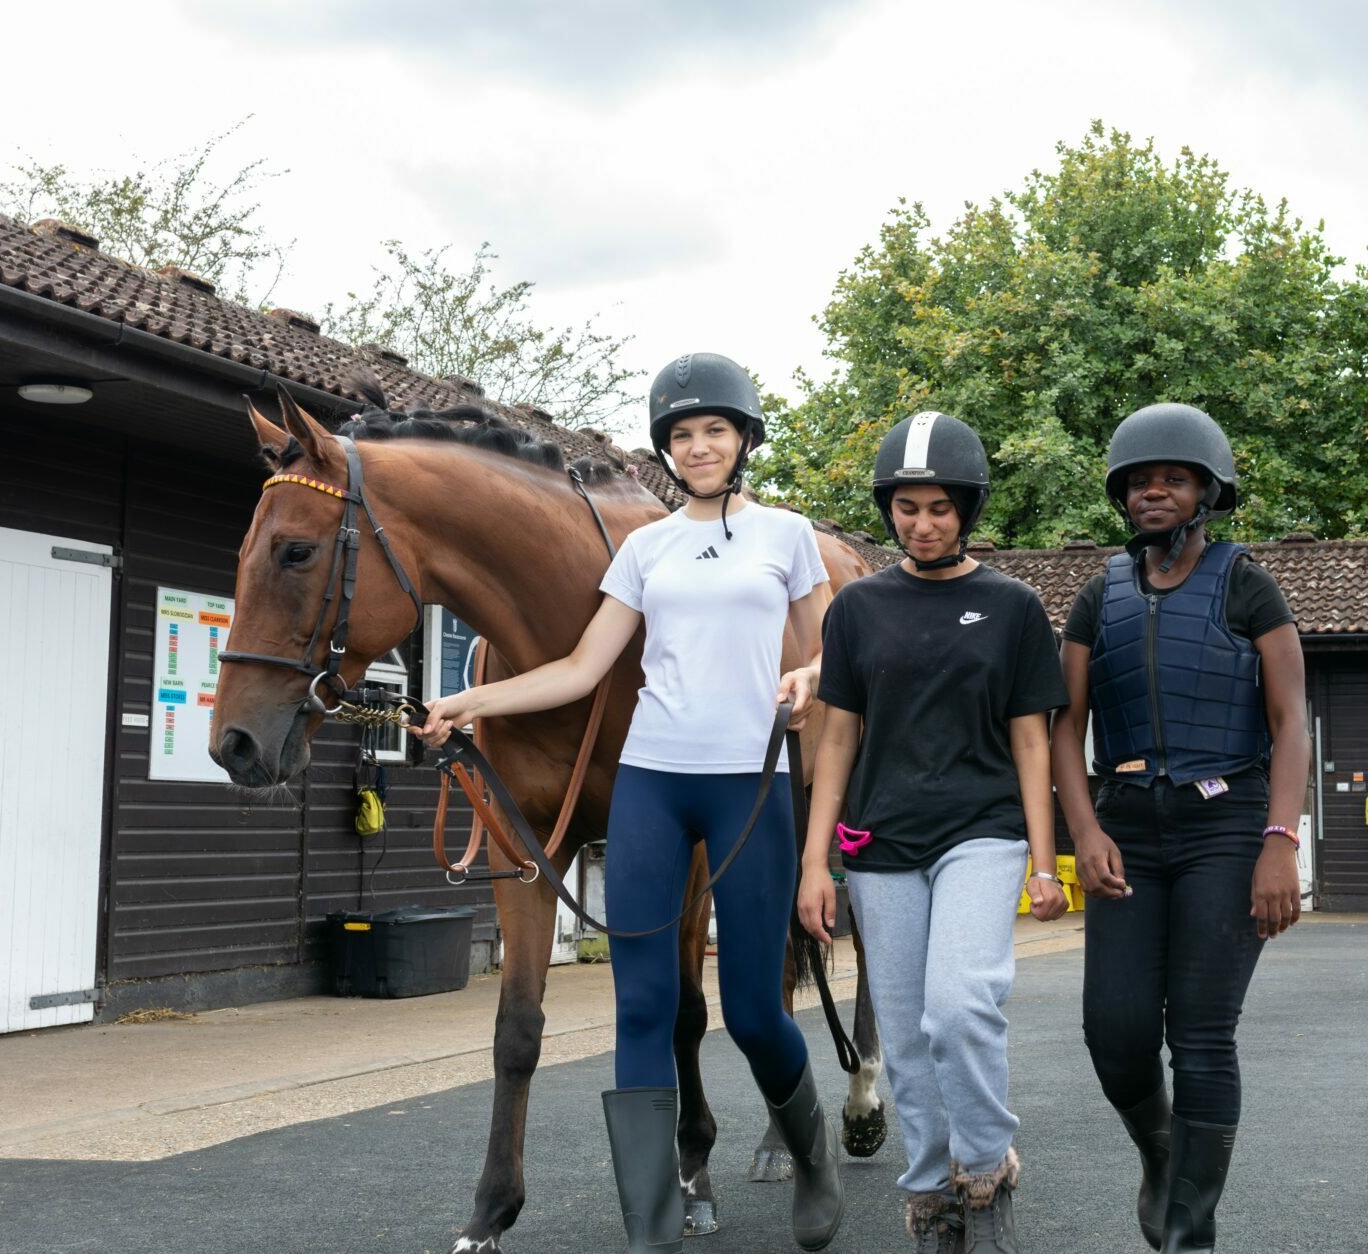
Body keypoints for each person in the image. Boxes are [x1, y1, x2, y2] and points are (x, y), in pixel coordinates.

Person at [418, 352, 844, 1252]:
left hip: (749, 785)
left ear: (743, 440)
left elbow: (818, 655)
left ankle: (813, 1160)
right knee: (644, 1003)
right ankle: (650, 1231)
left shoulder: (786, 536)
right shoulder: (643, 549)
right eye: (682, 435)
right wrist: (470, 702)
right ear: (667, 447)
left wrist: (805, 678)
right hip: (654, 783)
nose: (698, 447)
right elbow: (581, 667)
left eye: (714, 432)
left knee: (754, 1010)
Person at [790, 412, 1067, 1253]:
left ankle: (985, 1172)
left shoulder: (1012, 606)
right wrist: (816, 862)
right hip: (881, 845)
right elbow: (837, 735)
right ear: (889, 512)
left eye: (940, 507)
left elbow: (1032, 737)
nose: (923, 522)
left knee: (958, 1007)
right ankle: (930, 1198)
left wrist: (1044, 863)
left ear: (968, 510)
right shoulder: (860, 608)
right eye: (907, 508)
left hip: (982, 833)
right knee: (905, 1036)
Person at [1049, 403, 1307, 1253]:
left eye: (1173, 478)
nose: (1154, 490)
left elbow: (1291, 720)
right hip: (1123, 826)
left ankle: (1188, 1233)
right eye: (1139, 480)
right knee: (1115, 1033)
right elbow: (1064, 726)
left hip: (1226, 826)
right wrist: (1082, 832)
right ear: (1122, 495)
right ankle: (1162, 1153)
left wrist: (1280, 841)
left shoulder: (1246, 583)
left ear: (1205, 492)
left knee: (1200, 1033)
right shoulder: (1097, 595)